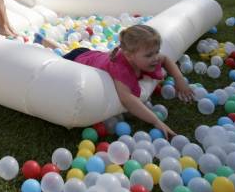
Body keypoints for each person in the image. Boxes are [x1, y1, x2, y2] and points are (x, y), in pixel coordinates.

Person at [59, 24, 193, 138]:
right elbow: (127, 99)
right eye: (149, 55)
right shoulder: (121, 69)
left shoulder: (143, 57)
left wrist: (179, 79)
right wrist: (156, 121)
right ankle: (46, 43)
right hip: (77, 57)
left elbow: (165, 60)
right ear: (129, 55)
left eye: (156, 52)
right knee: (57, 57)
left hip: (93, 54)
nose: (156, 58)